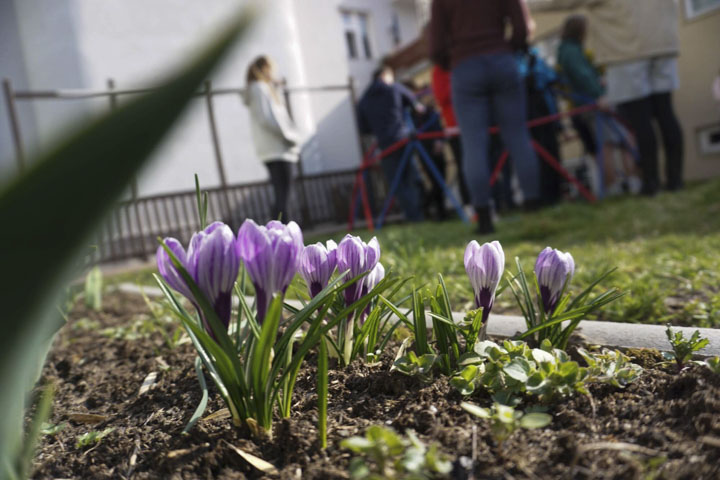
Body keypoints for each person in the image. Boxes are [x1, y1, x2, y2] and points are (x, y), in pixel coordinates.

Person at [531, 0, 684, 194]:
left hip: (627, 48)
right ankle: (675, 180)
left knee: (640, 120)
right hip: (663, 42)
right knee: (666, 113)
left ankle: (651, 183)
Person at [430, 0, 541, 234]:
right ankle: (533, 209)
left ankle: (484, 218)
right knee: (518, 136)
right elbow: (522, 28)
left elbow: (436, 46)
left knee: (473, 144)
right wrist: (508, 47)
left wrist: (455, 61)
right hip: (501, 59)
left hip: (465, 67)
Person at [556, 14, 640, 195]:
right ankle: (622, 184)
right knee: (614, 142)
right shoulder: (571, 52)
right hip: (592, 103)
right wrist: (598, 93)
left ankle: (619, 184)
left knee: (610, 142)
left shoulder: (570, 50)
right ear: (579, 30)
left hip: (584, 103)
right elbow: (582, 75)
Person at [357, 64, 425, 222]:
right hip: (402, 140)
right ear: (385, 75)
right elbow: (416, 105)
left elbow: (363, 128)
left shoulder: (364, 100)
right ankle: (419, 215)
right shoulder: (395, 88)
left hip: (385, 145)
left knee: (397, 184)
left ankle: (412, 216)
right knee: (411, 177)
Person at [243, 55, 301, 221]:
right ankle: (283, 232)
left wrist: (275, 88)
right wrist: (288, 136)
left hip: (273, 149)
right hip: (278, 148)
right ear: (265, 69)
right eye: (272, 69)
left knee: (282, 193)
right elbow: (267, 118)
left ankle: (279, 231)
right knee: (284, 194)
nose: (273, 73)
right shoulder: (259, 88)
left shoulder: (262, 89)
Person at [431, 66, 470, 211]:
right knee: (463, 166)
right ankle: (470, 205)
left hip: (473, 122)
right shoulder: (440, 69)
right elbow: (441, 96)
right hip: (455, 126)